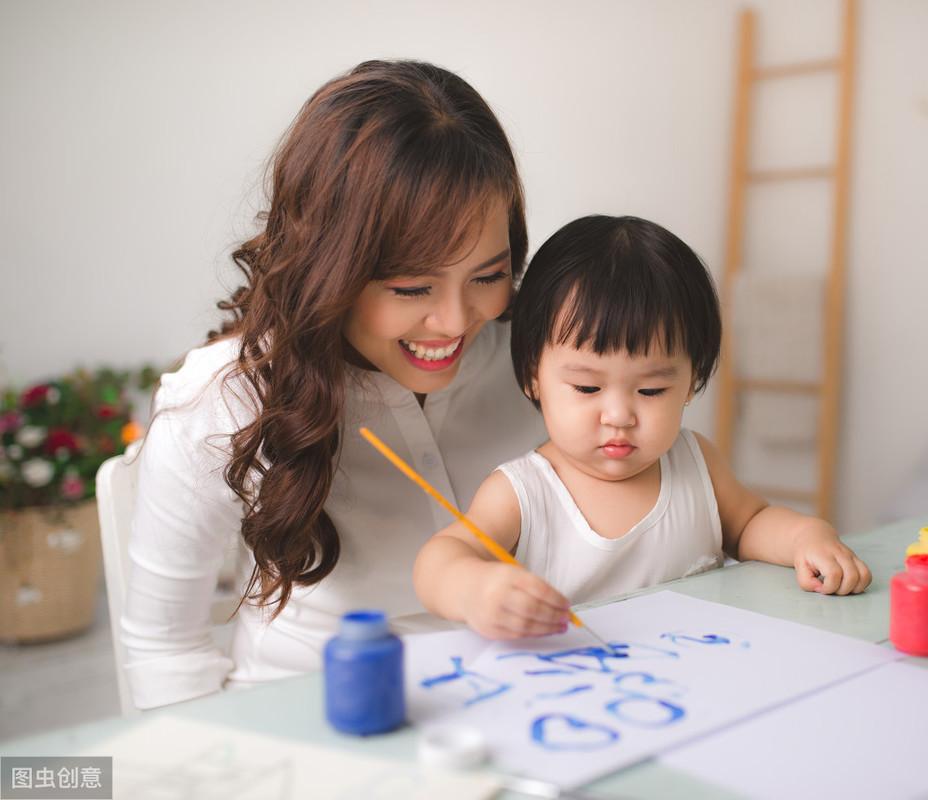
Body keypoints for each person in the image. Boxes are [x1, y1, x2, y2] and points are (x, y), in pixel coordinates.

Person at [120, 60, 546, 709]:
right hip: (308, 720)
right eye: (411, 288)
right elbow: (163, 653)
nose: (458, 321)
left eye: (488, 276)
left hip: (524, 707)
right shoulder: (221, 401)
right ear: (330, 265)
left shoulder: (539, 358)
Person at [413, 215, 872, 640]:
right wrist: (476, 589)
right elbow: (440, 561)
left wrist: (805, 536)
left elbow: (750, 523)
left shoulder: (695, 463)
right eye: (588, 388)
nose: (618, 415)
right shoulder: (523, 493)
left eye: (650, 391)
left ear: (691, 382)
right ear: (535, 375)